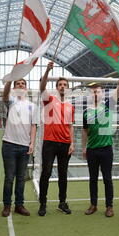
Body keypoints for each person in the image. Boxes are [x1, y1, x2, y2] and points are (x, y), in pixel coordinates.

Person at [81, 77, 119, 217]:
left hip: (106, 149)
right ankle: (93, 205)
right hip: (92, 150)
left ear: (102, 94)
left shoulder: (108, 106)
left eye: (98, 91)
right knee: (93, 179)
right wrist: (83, 148)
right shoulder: (86, 112)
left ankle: (109, 206)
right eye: (93, 92)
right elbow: (85, 131)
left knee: (107, 178)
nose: (95, 94)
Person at [38, 61, 75, 216]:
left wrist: (72, 143)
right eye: (60, 84)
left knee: (63, 174)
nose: (62, 86)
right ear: (56, 87)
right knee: (46, 172)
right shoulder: (49, 100)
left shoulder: (70, 106)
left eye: (65, 85)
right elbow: (42, 86)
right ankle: (43, 203)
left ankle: (62, 202)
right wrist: (47, 70)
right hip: (50, 143)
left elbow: (70, 126)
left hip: (65, 144)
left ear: (68, 88)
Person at [1, 78, 39, 217]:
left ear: (26, 88)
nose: (21, 85)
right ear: (14, 87)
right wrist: (10, 79)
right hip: (9, 145)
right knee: (9, 177)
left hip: (24, 147)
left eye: (23, 84)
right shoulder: (11, 101)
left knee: (21, 178)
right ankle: (7, 205)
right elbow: (5, 93)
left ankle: (19, 205)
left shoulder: (32, 106)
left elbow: (34, 126)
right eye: (18, 84)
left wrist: (32, 143)